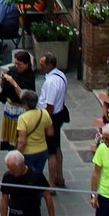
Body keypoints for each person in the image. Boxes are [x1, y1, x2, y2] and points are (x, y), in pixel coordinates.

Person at [0, 150, 58, 216]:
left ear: (21, 165)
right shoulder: (7, 177)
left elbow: (47, 197)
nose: (11, 172)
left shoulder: (36, 176)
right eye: (9, 169)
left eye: (13, 170)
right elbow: (4, 199)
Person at [38, 52, 69, 189]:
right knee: (57, 147)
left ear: (50, 65)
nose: (40, 67)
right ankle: (59, 177)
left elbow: (49, 106)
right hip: (59, 114)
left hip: (51, 118)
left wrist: (45, 123)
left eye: (42, 65)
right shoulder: (61, 75)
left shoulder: (50, 82)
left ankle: (51, 183)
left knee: (51, 152)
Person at [0, 50, 36, 151]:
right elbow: (3, 87)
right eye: (15, 63)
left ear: (27, 64)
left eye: (19, 64)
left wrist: (13, 82)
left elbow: (24, 96)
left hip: (21, 108)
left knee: (19, 134)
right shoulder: (12, 71)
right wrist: (3, 80)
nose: (16, 66)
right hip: (10, 107)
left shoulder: (30, 76)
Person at [16, 90, 55, 175]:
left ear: (25, 104)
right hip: (42, 151)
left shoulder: (22, 118)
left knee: (27, 176)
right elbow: (50, 133)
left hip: (28, 153)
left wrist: (17, 154)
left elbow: (22, 141)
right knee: (37, 175)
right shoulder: (44, 113)